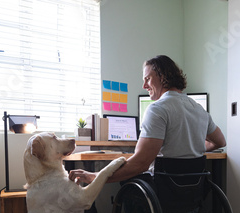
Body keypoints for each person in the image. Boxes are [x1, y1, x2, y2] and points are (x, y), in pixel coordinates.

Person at [68, 55, 226, 185]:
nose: (144, 85)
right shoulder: (199, 110)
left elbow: (140, 163)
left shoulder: (158, 109)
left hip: (164, 190)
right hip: (192, 190)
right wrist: (191, 149)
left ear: (163, 77)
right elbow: (220, 142)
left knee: (128, 182)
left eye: (148, 79)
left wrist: (95, 177)